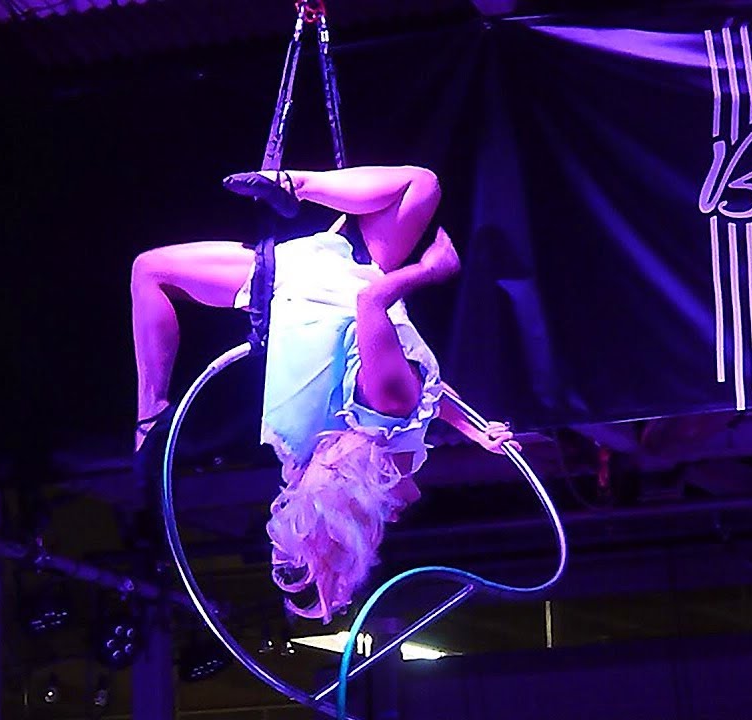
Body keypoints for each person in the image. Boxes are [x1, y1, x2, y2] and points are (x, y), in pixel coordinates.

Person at [130, 165, 517, 622]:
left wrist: (429, 271)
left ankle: (151, 411)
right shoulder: (385, 434)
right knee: (149, 271)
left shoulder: (387, 411)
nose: (397, 514)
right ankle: (150, 415)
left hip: (314, 282)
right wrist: (475, 432)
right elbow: (422, 390)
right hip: (317, 287)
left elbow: (375, 307)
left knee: (422, 185)